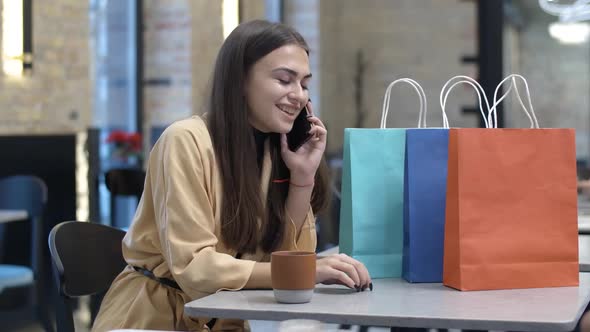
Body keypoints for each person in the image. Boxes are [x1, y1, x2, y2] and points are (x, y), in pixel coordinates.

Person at [92, 19, 372, 331]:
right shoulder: (185, 140)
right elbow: (196, 269)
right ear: (240, 80)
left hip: (224, 319)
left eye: (304, 84)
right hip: (153, 319)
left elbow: (289, 271)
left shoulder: (274, 151)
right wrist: (306, 271)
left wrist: (302, 179)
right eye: (284, 80)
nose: (300, 96)